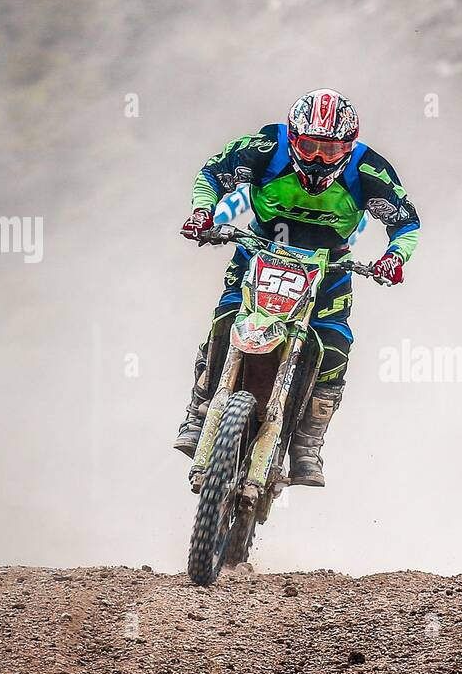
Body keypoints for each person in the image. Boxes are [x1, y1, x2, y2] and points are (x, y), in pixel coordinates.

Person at [176, 88, 420, 486]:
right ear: (292, 137)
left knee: (335, 344)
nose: (319, 159)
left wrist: (395, 257)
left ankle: (308, 442)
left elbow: (406, 222)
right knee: (226, 318)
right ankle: (200, 406)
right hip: (260, 251)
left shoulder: (369, 170)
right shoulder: (264, 148)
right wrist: (203, 212)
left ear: (350, 146)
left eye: (330, 148)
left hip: (330, 266)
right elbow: (211, 174)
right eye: (308, 146)